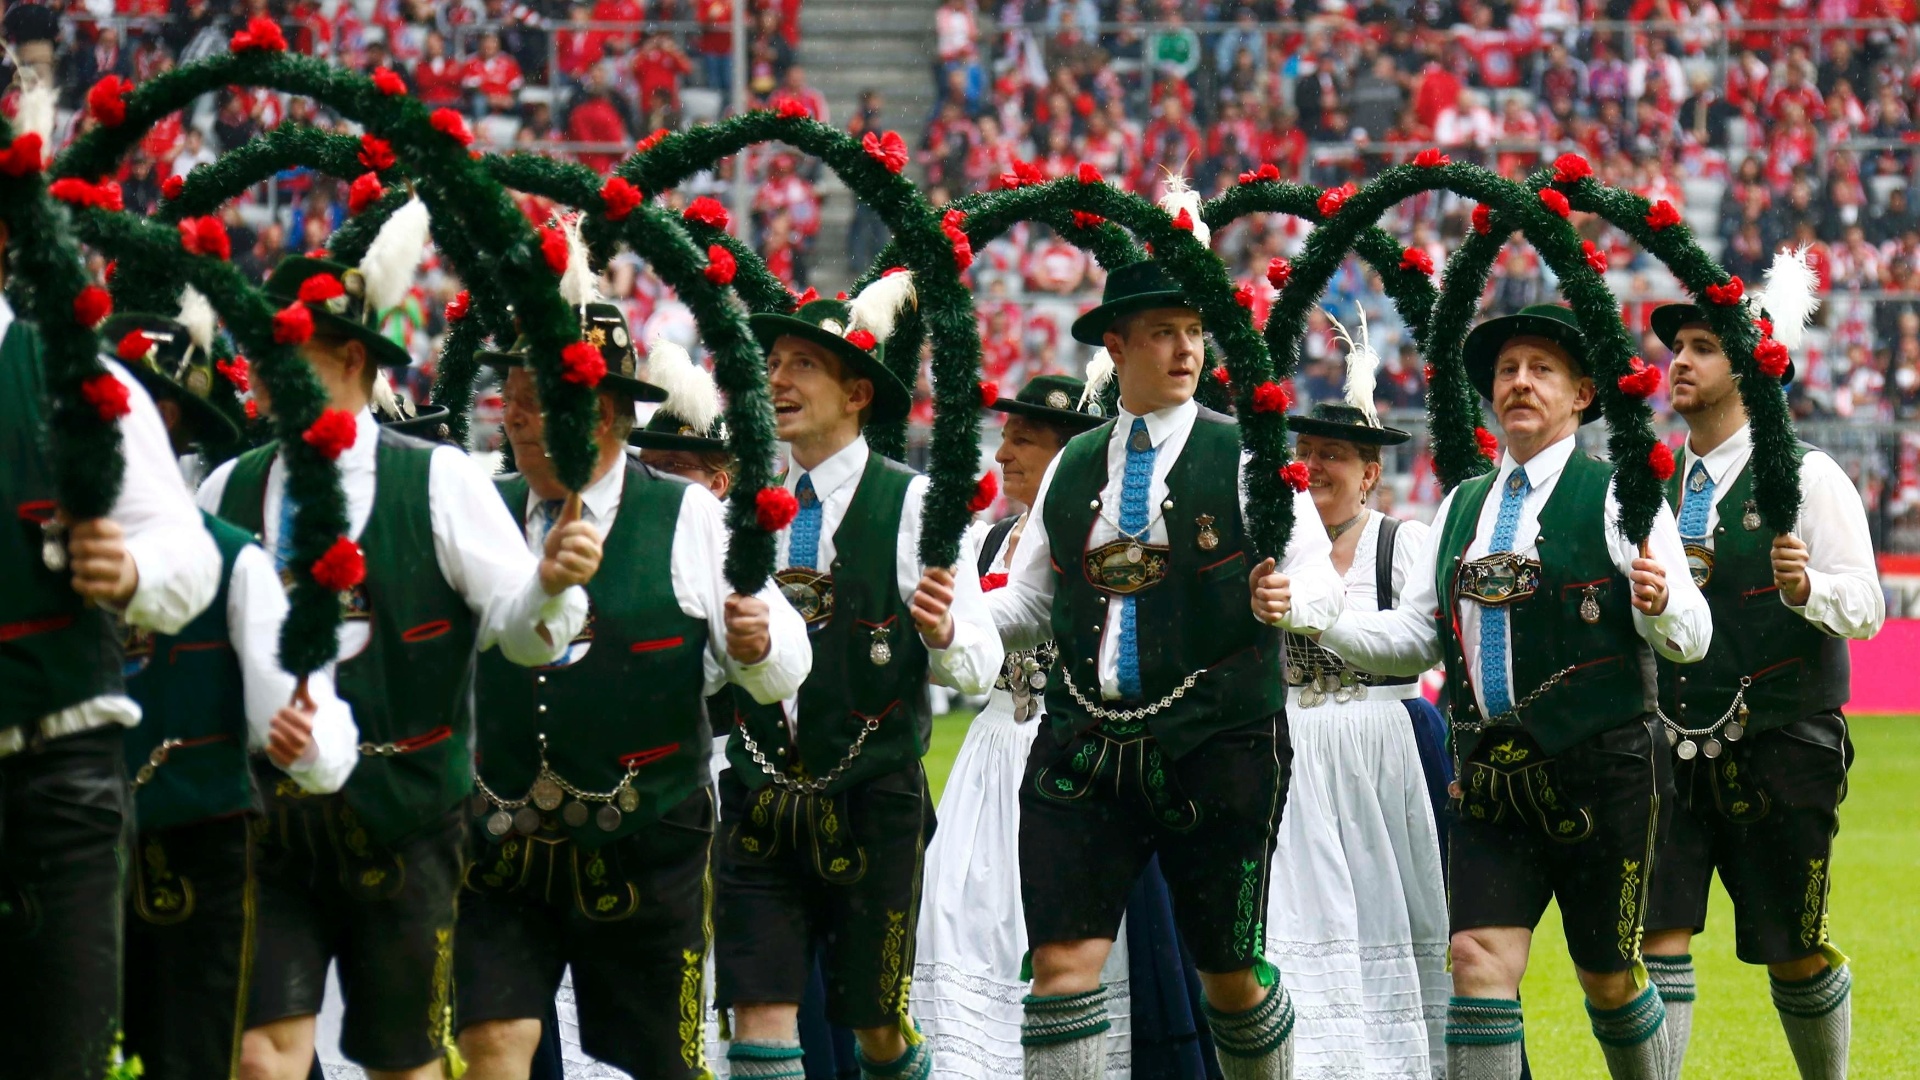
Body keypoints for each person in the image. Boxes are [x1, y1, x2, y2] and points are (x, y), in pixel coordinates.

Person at [200, 221, 600, 1080]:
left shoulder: (441, 480)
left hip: (410, 818)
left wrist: (554, 585)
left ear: (349, 360)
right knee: (259, 1058)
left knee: (403, 1062)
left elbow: (524, 632)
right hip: (268, 823)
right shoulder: (225, 488)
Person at [1319, 303, 1712, 1080]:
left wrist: (1663, 604)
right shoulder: (1460, 505)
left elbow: (1692, 635)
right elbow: (1417, 641)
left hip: (1602, 771)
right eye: (1507, 371)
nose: (1520, 384)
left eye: (1541, 371)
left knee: (1607, 977)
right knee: (1476, 960)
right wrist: (1321, 619)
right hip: (1490, 776)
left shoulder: (1619, 494)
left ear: (1583, 394)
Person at [989, 260, 1347, 1080]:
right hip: (1083, 742)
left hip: (1219, 741)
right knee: (1059, 974)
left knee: (1230, 978)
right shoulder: (1075, 463)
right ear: (1116, 346)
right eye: (1163, 332)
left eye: (1194, 331)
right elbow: (1028, 605)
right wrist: (957, 622)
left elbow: (1321, 581)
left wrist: (1291, 597)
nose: (1186, 349)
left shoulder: (1253, 454)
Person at [456, 308, 811, 1080]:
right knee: (491, 1046)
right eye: (509, 391)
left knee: (661, 1062)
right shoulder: (480, 503)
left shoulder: (688, 516)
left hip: (645, 845)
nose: (512, 412)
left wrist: (757, 649)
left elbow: (787, 657)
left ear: (604, 412)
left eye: (535, 394)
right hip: (499, 845)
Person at [714, 278, 1003, 1080]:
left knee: (876, 1023)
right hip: (760, 794)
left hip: (874, 798)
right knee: (760, 1014)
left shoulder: (914, 505)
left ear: (857, 392)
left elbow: (979, 663)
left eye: (802, 364)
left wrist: (943, 633)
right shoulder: (742, 512)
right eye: (772, 362)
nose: (777, 380)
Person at [105, 309, 360, 1080]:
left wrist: (307, 746)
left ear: (168, 427)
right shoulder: (37, 543)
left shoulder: (235, 562)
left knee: (195, 1059)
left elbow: (313, 723)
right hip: (70, 850)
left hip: (198, 866)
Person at [0, 223, 222, 1080]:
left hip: (55, 778)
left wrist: (130, 567)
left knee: (67, 1059)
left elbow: (185, 550)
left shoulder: (76, 378)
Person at [1640, 301, 1884, 1080]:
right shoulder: (1647, 485)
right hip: (1666, 745)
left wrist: (1807, 587)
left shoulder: (1810, 474)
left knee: (1794, 952)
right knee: (1658, 936)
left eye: (1702, 348)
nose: (1679, 360)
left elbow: (1869, 606)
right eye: (1676, 347)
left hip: (1783, 742)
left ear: (1746, 370)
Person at [911, 373, 1134, 1078]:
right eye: (1003, 439)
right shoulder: (984, 543)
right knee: (955, 921)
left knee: (1061, 942)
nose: (1002, 455)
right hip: (989, 756)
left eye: (1023, 441)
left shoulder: (1105, 544)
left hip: (1071, 756)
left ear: (1070, 455)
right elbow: (956, 666)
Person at [1270, 330, 1449, 1080]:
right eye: (1306, 452)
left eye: (1334, 455)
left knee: (1400, 914)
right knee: (1297, 923)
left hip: (1386, 748)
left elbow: (1419, 646)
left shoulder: (1400, 545)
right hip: (1293, 751)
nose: (1315, 467)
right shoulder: (1273, 547)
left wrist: (1322, 620)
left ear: (1370, 472)